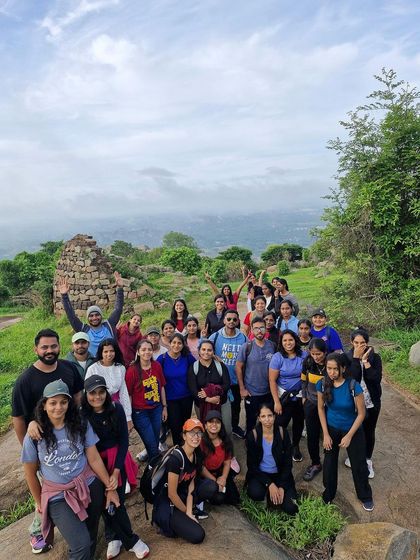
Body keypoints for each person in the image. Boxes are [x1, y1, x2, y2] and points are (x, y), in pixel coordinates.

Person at [21, 379, 120, 560]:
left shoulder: (80, 424)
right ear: (44, 405)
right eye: (53, 403)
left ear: (69, 403)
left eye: (63, 402)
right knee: (80, 544)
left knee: (90, 534)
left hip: (89, 485)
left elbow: (94, 457)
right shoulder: (35, 434)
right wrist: (39, 502)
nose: (58, 407)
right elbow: (30, 473)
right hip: (58, 495)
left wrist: (109, 487)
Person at [12, 329, 84, 554]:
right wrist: (29, 448)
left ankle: (75, 517)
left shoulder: (69, 368)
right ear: (36, 349)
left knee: (73, 478)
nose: (49, 351)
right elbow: (18, 417)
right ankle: (38, 531)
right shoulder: (25, 380)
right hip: (43, 444)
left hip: (69, 437)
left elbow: (79, 395)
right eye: (44, 347)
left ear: (59, 346)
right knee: (44, 490)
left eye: (53, 346)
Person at [81, 375, 149, 559]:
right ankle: (116, 538)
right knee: (103, 501)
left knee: (116, 499)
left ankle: (129, 540)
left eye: (101, 392)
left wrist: (117, 469)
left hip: (117, 458)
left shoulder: (115, 408)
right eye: (92, 393)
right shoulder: (82, 415)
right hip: (94, 461)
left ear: (106, 393)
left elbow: (124, 440)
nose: (97, 397)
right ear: (85, 394)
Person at [317, 352, 374, 511]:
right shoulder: (322, 384)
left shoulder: (353, 386)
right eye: (329, 368)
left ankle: (365, 495)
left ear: (343, 368)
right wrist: (326, 434)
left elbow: (361, 414)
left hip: (352, 429)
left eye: (335, 369)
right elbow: (321, 409)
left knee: (359, 464)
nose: (332, 372)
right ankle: (328, 494)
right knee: (329, 463)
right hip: (331, 429)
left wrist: (349, 436)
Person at [152, 418, 218, 543]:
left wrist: (189, 510)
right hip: (168, 502)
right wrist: (186, 512)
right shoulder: (175, 459)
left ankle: (189, 512)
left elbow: (191, 484)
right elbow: (171, 494)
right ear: (184, 435)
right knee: (198, 535)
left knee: (211, 486)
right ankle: (164, 521)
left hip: (183, 494)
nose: (196, 437)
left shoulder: (196, 454)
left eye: (199, 433)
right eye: (192, 433)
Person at [245, 403, 298, 515]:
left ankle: (274, 494)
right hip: (261, 475)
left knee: (291, 508)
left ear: (274, 416)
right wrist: (270, 484)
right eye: (263, 416)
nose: (267, 420)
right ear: (259, 418)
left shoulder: (283, 433)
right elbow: (252, 466)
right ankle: (267, 494)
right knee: (255, 493)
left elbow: (288, 463)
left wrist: (282, 486)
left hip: (281, 475)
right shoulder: (253, 436)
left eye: (270, 415)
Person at [345, 328, 382, 479]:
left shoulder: (375, 358)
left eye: (363, 343)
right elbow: (351, 379)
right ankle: (355, 456)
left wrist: (365, 362)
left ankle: (367, 459)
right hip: (353, 402)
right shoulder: (347, 358)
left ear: (367, 343)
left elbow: (375, 379)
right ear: (351, 342)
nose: (359, 346)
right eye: (356, 343)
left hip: (371, 401)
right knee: (355, 430)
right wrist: (355, 359)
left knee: (369, 430)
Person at [58, 272, 124, 356]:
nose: (94, 318)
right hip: (91, 366)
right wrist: (64, 295)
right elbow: (71, 315)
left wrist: (120, 288)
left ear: (101, 316)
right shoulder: (83, 329)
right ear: (87, 318)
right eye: (91, 316)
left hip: (110, 364)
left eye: (97, 315)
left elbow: (118, 309)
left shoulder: (109, 325)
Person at [125, 340, 167, 461]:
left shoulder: (156, 366)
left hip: (156, 409)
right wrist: (129, 416)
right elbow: (128, 395)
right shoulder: (132, 371)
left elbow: (162, 387)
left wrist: (164, 407)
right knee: (151, 443)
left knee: (154, 439)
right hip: (140, 412)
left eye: (149, 349)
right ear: (138, 352)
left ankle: (151, 460)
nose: (147, 352)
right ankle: (156, 466)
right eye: (143, 350)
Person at [269, 330, 307, 462]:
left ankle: (295, 445)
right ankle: (279, 445)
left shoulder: (303, 355)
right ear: (281, 342)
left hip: (301, 396)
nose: (288, 343)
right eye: (284, 340)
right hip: (284, 397)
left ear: (295, 340)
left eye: (290, 340)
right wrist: (276, 402)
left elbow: (308, 375)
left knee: (298, 422)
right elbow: (272, 380)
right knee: (280, 423)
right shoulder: (278, 357)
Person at [209, 310, 247, 438]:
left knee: (236, 406)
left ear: (238, 322)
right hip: (219, 381)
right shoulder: (215, 337)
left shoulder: (243, 338)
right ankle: (220, 430)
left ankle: (235, 426)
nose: (231, 322)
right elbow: (205, 352)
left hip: (236, 379)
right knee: (219, 407)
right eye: (229, 319)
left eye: (234, 320)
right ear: (224, 320)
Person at [236, 317, 275, 433]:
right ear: (251, 330)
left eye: (262, 328)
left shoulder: (272, 346)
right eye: (256, 328)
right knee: (251, 422)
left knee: (267, 421)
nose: (259, 331)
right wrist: (242, 389)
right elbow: (238, 367)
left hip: (268, 392)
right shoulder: (247, 347)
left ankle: (266, 444)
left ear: (266, 329)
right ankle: (251, 446)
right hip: (252, 393)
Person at [157, 334, 196, 445]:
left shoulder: (187, 357)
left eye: (179, 343)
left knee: (185, 423)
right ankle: (178, 448)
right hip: (170, 399)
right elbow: (156, 376)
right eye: (174, 342)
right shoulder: (162, 359)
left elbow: (198, 366)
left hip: (187, 397)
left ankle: (187, 446)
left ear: (183, 345)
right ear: (169, 343)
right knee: (174, 425)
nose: (176, 345)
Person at [84, 339, 132, 428]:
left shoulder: (120, 368)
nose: (109, 354)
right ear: (101, 352)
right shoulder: (93, 368)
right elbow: (87, 392)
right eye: (105, 351)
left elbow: (123, 392)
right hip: (98, 407)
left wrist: (128, 417)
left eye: (111, 351)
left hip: (117, 407)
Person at [187, 339, 231, 429]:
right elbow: (193, 389)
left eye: (209, 350)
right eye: (203, 349)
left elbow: (227, 384)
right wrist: (208, 399)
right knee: (205, 428)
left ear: (213, 352)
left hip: (221, 402)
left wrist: (215, 395)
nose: (206, 352)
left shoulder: (220, 365)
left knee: (226, 428)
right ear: (199, 351)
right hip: (201, 404)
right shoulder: (194, 367)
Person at [301, 338, 328, 481]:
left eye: (319, 354)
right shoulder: (308, 362)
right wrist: (304, 396)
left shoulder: (331, 363)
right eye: (313, 354)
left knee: (329, 433)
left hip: (329, 404)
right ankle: (316, 463)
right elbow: (303, 380)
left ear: (325, 352)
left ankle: (329, 461)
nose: (316, 357)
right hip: (311, 403)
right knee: (312, 434)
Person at [200, 410, 240, 505]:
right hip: (204, 475)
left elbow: (227, 462)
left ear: (221, 425)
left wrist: (223, 478)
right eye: (211, 421)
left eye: (217, 422)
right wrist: (215, 481)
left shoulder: (225, 441)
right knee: (218, 499)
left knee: (235, 499)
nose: (214, 424)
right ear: (205, 425)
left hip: (219, 472)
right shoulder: (200, 442)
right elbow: (201, 467)